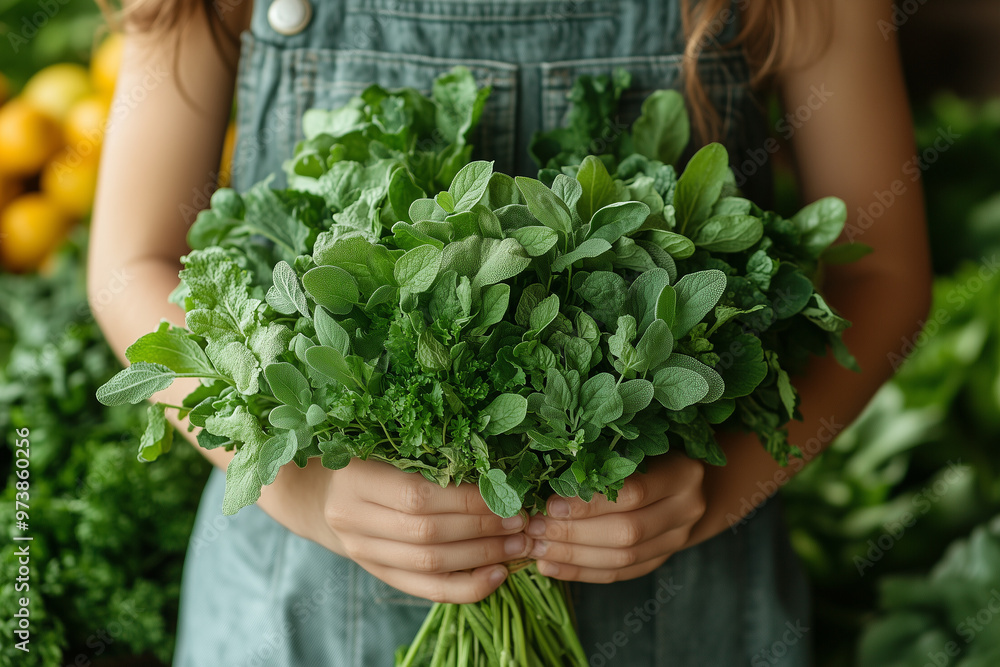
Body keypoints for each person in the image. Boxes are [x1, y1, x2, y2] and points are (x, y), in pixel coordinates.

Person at [88, 0, 932, 664]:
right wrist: (302, 487)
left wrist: (726, 485)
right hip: (299, 600)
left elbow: (882, 275)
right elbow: (131, 262)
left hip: (681, 602)